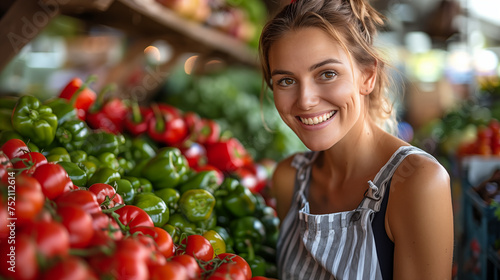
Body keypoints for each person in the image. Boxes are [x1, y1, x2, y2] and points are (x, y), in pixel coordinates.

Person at [258, 0, 454, 279]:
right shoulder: (288, 178)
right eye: (286, 81)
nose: (306, 100)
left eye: (327, 74)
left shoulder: (417, 181)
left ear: (367, 76)